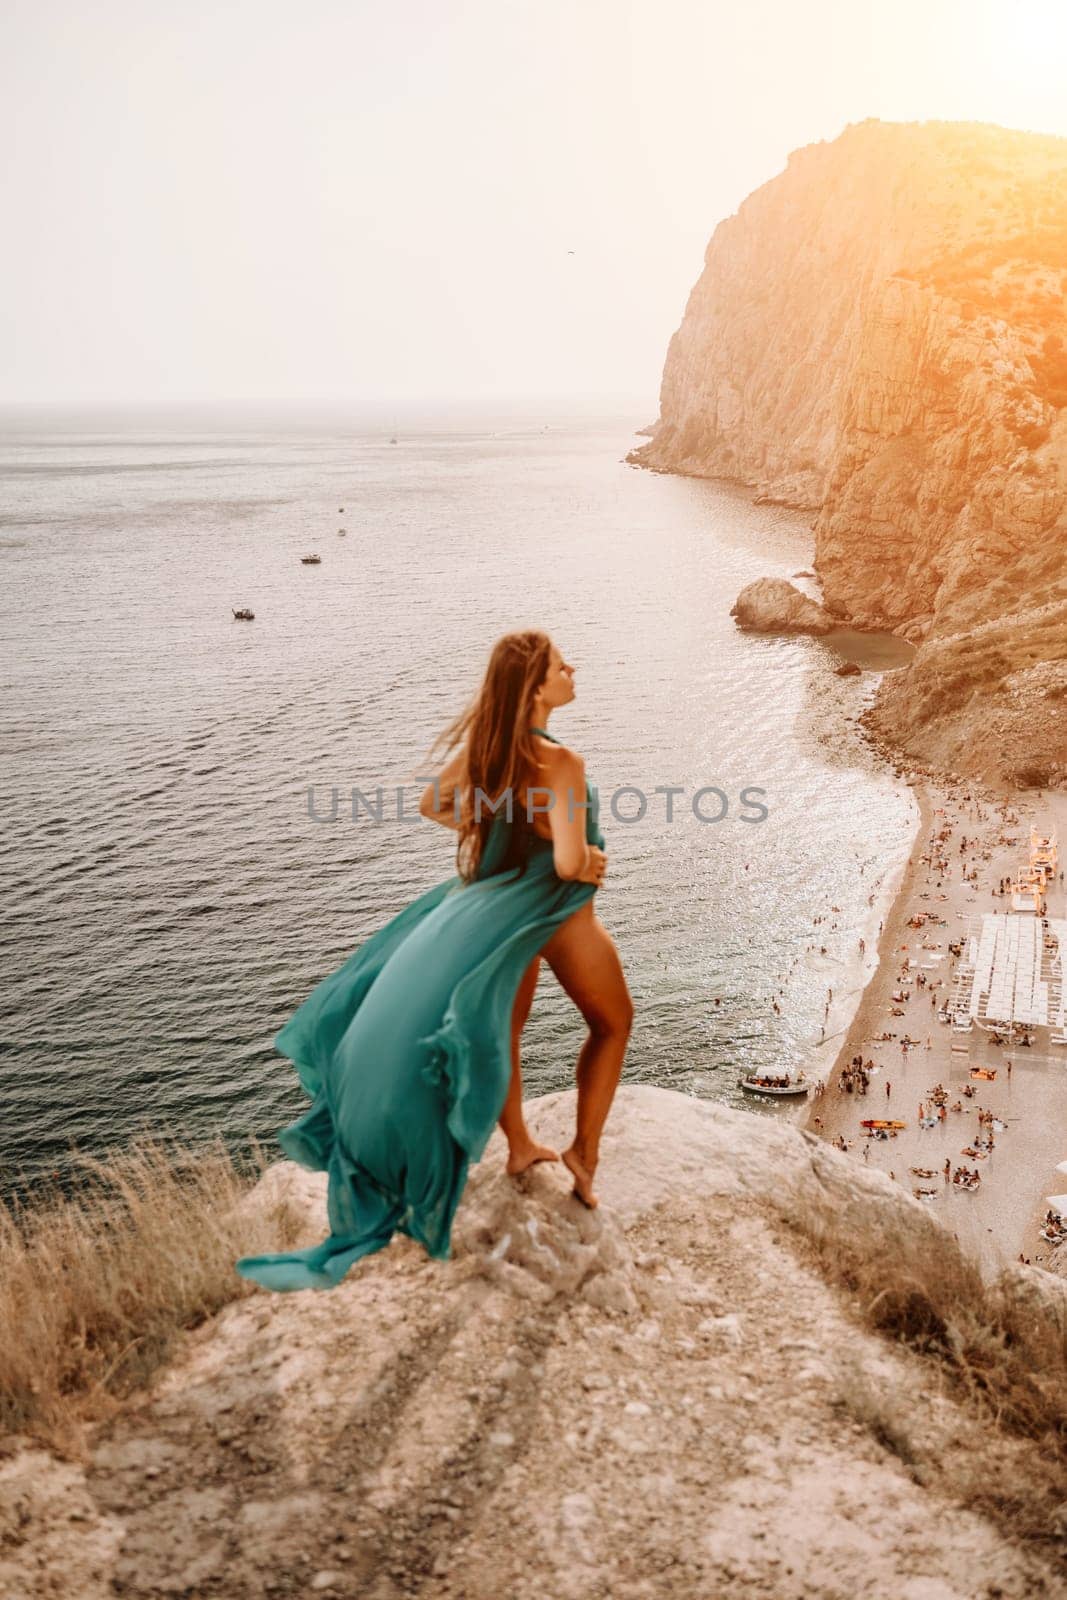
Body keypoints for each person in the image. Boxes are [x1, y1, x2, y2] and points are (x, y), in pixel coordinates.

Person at [235, 631, 632, 1291]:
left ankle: (519, 1145)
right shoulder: (562, 763)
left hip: (494, 903)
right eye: (561, 665)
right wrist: (584, 858)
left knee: (502, 1025)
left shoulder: (488, 749)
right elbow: (567, 861)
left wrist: (491, 827)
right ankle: (583, 1156)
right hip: (557, 914)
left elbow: (433, 805)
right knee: (612, 1022)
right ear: (536, 687)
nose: (572, 670)